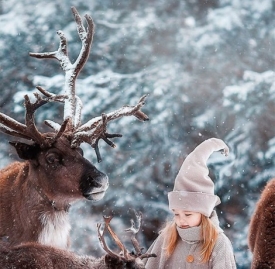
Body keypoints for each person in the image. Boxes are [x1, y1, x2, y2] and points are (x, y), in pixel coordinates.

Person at [144, 138, 236, 268]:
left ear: (203, 213)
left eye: (188, 214)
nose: (181, 220)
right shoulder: (166, 239)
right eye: (176, 214)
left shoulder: (219, 243)